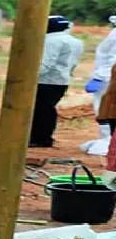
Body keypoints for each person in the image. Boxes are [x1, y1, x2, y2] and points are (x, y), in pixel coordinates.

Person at [30, 15, 85, 147]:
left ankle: (39, 139)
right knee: (47, 108)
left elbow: (45, 64)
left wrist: (29, 77)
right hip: (61, 81)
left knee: (39, 110)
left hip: (45, 80)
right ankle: (43, 137)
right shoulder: (75, 41)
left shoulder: (51, 40)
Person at [85, 15, 116, 145]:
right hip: (108, 76)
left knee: (106, 109)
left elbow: (112, 58)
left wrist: (99, 77)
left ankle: (108, 141)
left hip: (108, 78)